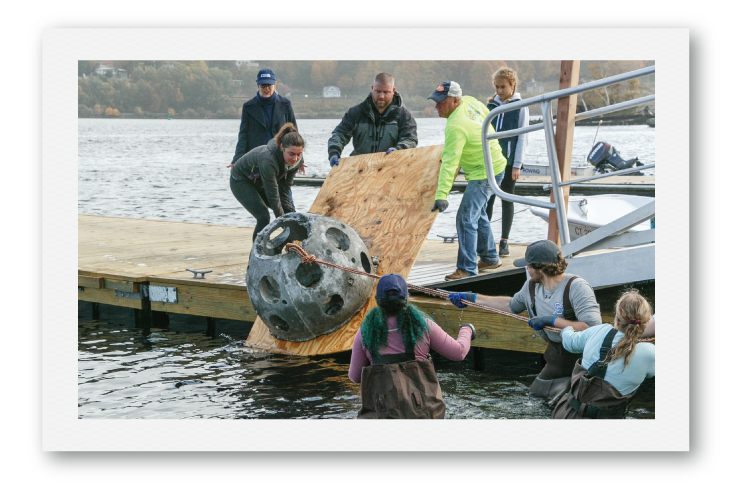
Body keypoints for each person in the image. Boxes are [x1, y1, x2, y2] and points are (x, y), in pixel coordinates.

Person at [448, 239, 601, 398]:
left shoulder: (577, 287)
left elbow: (593, 329)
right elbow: (510, 306)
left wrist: (552, 321)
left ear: (541, 268)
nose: (527, 268)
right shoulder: (531, 287)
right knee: (535, 397)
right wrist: (472, 299)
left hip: (585, 362)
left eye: (529, 265)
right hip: (558, 359)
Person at [348, 273, 474, 419]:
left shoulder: (364, 332)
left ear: (378, 301)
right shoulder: (423, 326)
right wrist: (467, 329)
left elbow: (355, 377)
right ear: (406, 298)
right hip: (423, 413)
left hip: (383, 415)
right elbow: (459, 352)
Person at [427, 81, 507, 280]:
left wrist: (441, 195)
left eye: (441, 102)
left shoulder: (455, 126)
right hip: (495, 164)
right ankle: (489, 257)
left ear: (455, 101)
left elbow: (450, 163)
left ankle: (467, 268)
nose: (436, 106)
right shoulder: (469, 102)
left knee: (465, 218)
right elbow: (487, 120)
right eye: (435, 102)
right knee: (477, 214)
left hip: (484, 173)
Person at [551, 289, 655, 419]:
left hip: (569, 414)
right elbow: (652, 373)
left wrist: (566, 330)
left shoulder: (599, 331)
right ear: (644, 324)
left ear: (616, 319)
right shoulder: (650, 353)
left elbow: (570, 343)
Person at [228, 123, 304, 241]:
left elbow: (284, 192)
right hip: (241, 180)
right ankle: (256, 254)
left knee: (289, 213)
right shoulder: (268, 160)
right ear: (282, 147)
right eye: (291, 154)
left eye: (299, 154)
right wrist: (284, 223)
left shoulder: (296, 162)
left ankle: (292, 245)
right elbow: (273, 196)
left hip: (259, 181)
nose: (295, 159)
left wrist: (292, 220)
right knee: (263, 217)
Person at [484, 68, 529, 257]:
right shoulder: (490, 107)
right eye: (497, 87)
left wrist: (517, 164)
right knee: (488, 200)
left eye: (503, 87)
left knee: (507, 198)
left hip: (509, 161)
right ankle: (485, 239)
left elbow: (522, 136)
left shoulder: (521, 106)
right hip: (492, 160)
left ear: (512, 86)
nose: (500, 91)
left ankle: (504, 240)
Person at [328, 73, 418, 167]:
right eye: (378, 91)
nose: (381, 96)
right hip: (360, 169)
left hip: (390, 170)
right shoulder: (356, 112)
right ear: (372, 89)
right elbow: (339, 134)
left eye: (386, 92)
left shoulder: (403, 115)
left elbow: (410, 139)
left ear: (393, 91)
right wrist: (334, 153)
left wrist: (398, 150)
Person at [228, 68, 305, 175]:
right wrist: (237, 159)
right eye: (263, 86)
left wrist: (300, 160)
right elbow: (243, 136)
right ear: (258, 85)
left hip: (280, 158)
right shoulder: (248, 107)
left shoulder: (286, 104)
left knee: (282, 191)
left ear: (275, 84)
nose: (266, 89)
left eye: (269, 86)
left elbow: (294, 134)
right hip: (256, 159)